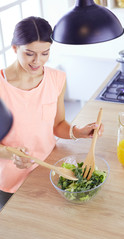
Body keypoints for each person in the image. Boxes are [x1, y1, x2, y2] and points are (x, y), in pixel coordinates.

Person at [0, 16, 104, 209]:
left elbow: (57, 125)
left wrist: (78, 132)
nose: (37, 61)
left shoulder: (56, 79)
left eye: (45, 53)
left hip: (50, 169)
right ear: (15, 48)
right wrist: (11, 153)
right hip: (9, 182)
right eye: (29, 53)